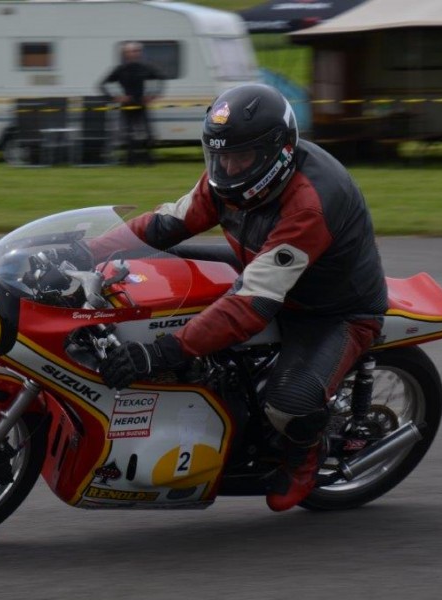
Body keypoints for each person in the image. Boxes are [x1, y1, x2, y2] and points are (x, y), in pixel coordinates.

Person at [95, 83, 389, 512]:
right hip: (262, 266)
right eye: (221, 157)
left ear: (280, 152)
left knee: (288, 405)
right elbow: (168, 222)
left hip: (330, 309)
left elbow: (253, 302)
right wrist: (90, 250)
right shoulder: (230, 176)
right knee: (154, 263)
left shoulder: (310, 203)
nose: (228, 169)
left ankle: (304, 453)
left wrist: (159, 354)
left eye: (240, 158)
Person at [98, 41, 165, 166]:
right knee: (127, 134)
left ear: (140, 53)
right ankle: (130, 160)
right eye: (130, 52)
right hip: (127, 105)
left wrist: (153, 94)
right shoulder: (120, 69)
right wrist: (116, 97)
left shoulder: (146, 67)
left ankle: (149, 159)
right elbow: (102, 85)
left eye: (136, 51)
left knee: (148, 133)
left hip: (142, 104)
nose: (134, 54)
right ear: (125, 54)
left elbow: (161, 78)